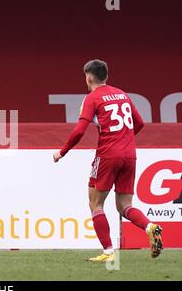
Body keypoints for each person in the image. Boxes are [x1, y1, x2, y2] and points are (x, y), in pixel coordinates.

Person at [53, 59, 163, 261]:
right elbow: (138, 123)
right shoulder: (122, 94)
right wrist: (124, 138)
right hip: (130, 155)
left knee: (96, 203)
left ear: (89, 77)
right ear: (106, 76)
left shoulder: (92, 98)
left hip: (108, 155)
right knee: (124, 205)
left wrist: (62, 152)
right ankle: (150, 226)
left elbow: (79, 131)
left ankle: (109, 252)